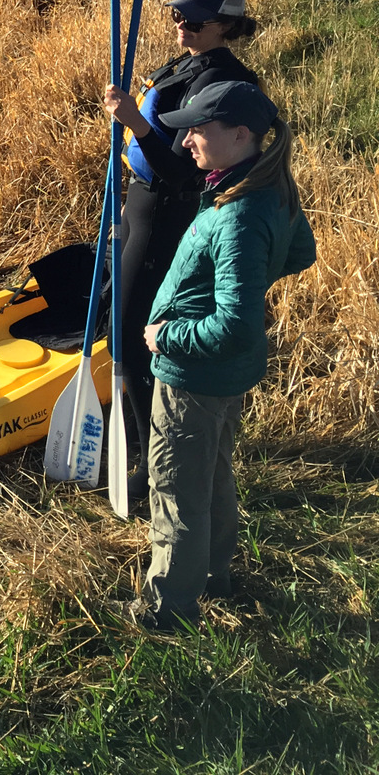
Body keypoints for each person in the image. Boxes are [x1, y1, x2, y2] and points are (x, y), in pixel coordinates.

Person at [127, 81, 316, 631]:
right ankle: (213, 577)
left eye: (199, 130)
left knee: (175, 490)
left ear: (240, 134)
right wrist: (241, 278)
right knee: (209, 477)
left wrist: (169, 337)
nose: (185, 140)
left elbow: (234, 325)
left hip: (193, 374)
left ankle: (168, 609)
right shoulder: (258, 185)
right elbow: (300, 251)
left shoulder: (237, 212)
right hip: (222, 376)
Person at [102, 0, 261, 494]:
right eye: (177, 15)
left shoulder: (224, 83)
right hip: (138, 205)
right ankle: (137, 438)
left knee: (130, 334)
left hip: (166, 215)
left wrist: (137, 124)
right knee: (119, 327)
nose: (180, 26)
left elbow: (185, 174)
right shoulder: (185, 63)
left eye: (193, 20)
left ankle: (153, 461)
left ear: (225, 26)